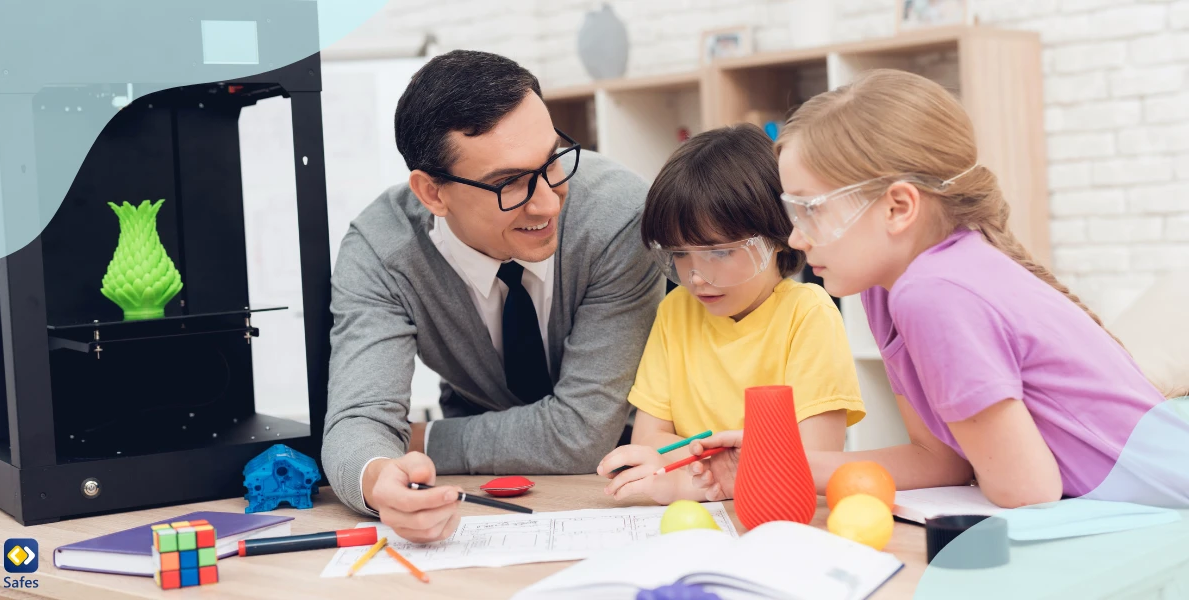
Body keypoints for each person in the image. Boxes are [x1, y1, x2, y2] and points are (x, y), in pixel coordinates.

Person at [688, 69, 1186, 509]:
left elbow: (1026, 490)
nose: (796, 237)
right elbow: (941, 461)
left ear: (899, 207)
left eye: (810, 210)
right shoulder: (889, 287)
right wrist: (768, 463)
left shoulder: (932, 292)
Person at [322, 50, 663, 542]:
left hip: (622, 479)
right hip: (476, 491)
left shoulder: (619, 218)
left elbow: (581, 434)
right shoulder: (381, 249)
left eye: (552, 161)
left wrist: (424, 439)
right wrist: (379, 479)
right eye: (510, 183)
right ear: (432, 193)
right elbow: (358, 422)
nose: (548, 202)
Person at [595, 124, 864, 504]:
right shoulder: (676, 311)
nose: (696, 276)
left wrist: (690, 475)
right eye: (680, 254)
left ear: (777, 235)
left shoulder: (807, 315)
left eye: (719, 252)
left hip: (782, 517)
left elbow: (814, 457)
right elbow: (648, 440)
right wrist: (727, 468)